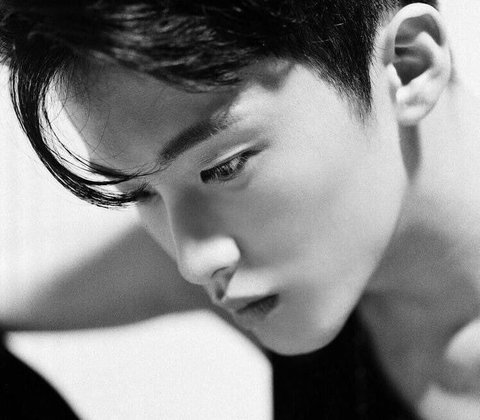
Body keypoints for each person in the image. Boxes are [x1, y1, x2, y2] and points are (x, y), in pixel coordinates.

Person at [1, 0, 480, 418]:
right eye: (141, 194)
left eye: (225, 168)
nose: (193, 263)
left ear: (409, 67)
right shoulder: (306, 263)